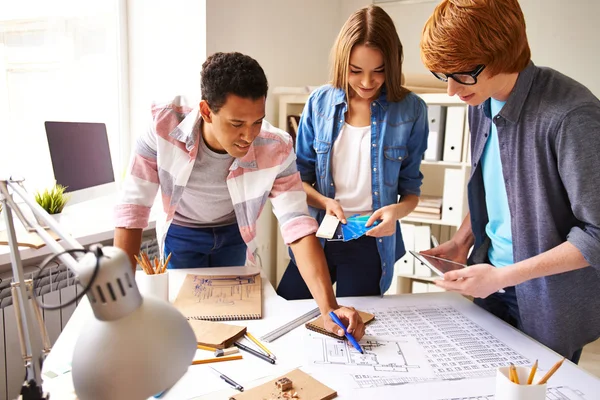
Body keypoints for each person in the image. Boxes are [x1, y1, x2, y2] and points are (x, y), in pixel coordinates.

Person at [114, 52, 365, 339]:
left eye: (257, 121)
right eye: (237, 124)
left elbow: (297, 224)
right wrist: (121, 302)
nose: (249, 136)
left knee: (231, 329)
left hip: (234, 233)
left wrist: (329, 309)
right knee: (185, 328)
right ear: (207, 111)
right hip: (182, 234)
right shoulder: (163, 127)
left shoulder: (276, 146)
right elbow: (132, 211)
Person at [420, 0, 600, 363]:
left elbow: (597, 235)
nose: (452, 91)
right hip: (491, 279)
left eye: (462, 74)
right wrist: (461, 241)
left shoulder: (571, 116)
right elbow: (492, 188)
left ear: (501, 52)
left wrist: (503, 276)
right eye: (445, 76)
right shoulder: (480, 101)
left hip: (548, 302)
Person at [277, 5, 429, 300]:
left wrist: (394, 213)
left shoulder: (412, 110)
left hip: (369, 243)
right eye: (356, 71)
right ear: (341, 62)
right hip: (317, 235)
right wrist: (324, 201)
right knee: (288, 314)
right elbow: (299, 180)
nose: (367, 82)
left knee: (355, 328)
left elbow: (411, 193)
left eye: (379, 71)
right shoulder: (319, 103)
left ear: (393, 64)